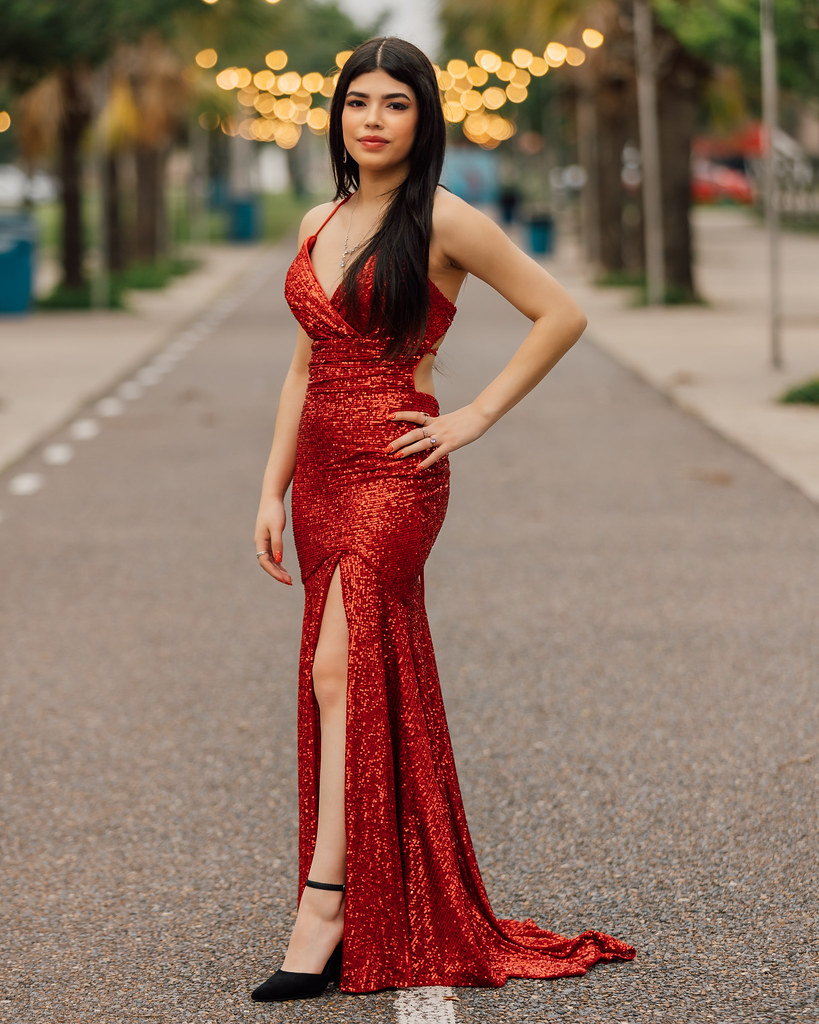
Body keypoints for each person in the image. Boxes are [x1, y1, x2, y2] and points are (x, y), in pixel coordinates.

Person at [250, 36, 635, 1002]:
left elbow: (559, 314)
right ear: (336, 116)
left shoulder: (447, 221)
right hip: (322, 479)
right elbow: (302, 367)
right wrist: (268, 489)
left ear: (423, 120)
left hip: (398, 469)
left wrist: (470, 416)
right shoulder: (318, 216)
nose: (371, 120)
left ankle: (325, 904)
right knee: (337, 673)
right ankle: (353, 892)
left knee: (341, 667)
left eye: (394, 104)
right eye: (356, 103)